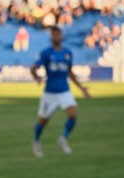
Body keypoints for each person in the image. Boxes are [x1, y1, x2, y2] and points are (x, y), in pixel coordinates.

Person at [30, 26, 91, 158]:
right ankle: (36, 141)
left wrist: (82, 88)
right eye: (53, 34)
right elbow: (33, 68)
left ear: (62, 37)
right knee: (43, 121)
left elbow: (70, 73)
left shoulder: (67, 53)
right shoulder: (46, 53)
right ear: (51, 38)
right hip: (50, 92)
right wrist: (37, 77)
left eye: (57, 34)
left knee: (73, 114)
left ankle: (63, 138)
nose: (56, 37)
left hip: (64, 90)